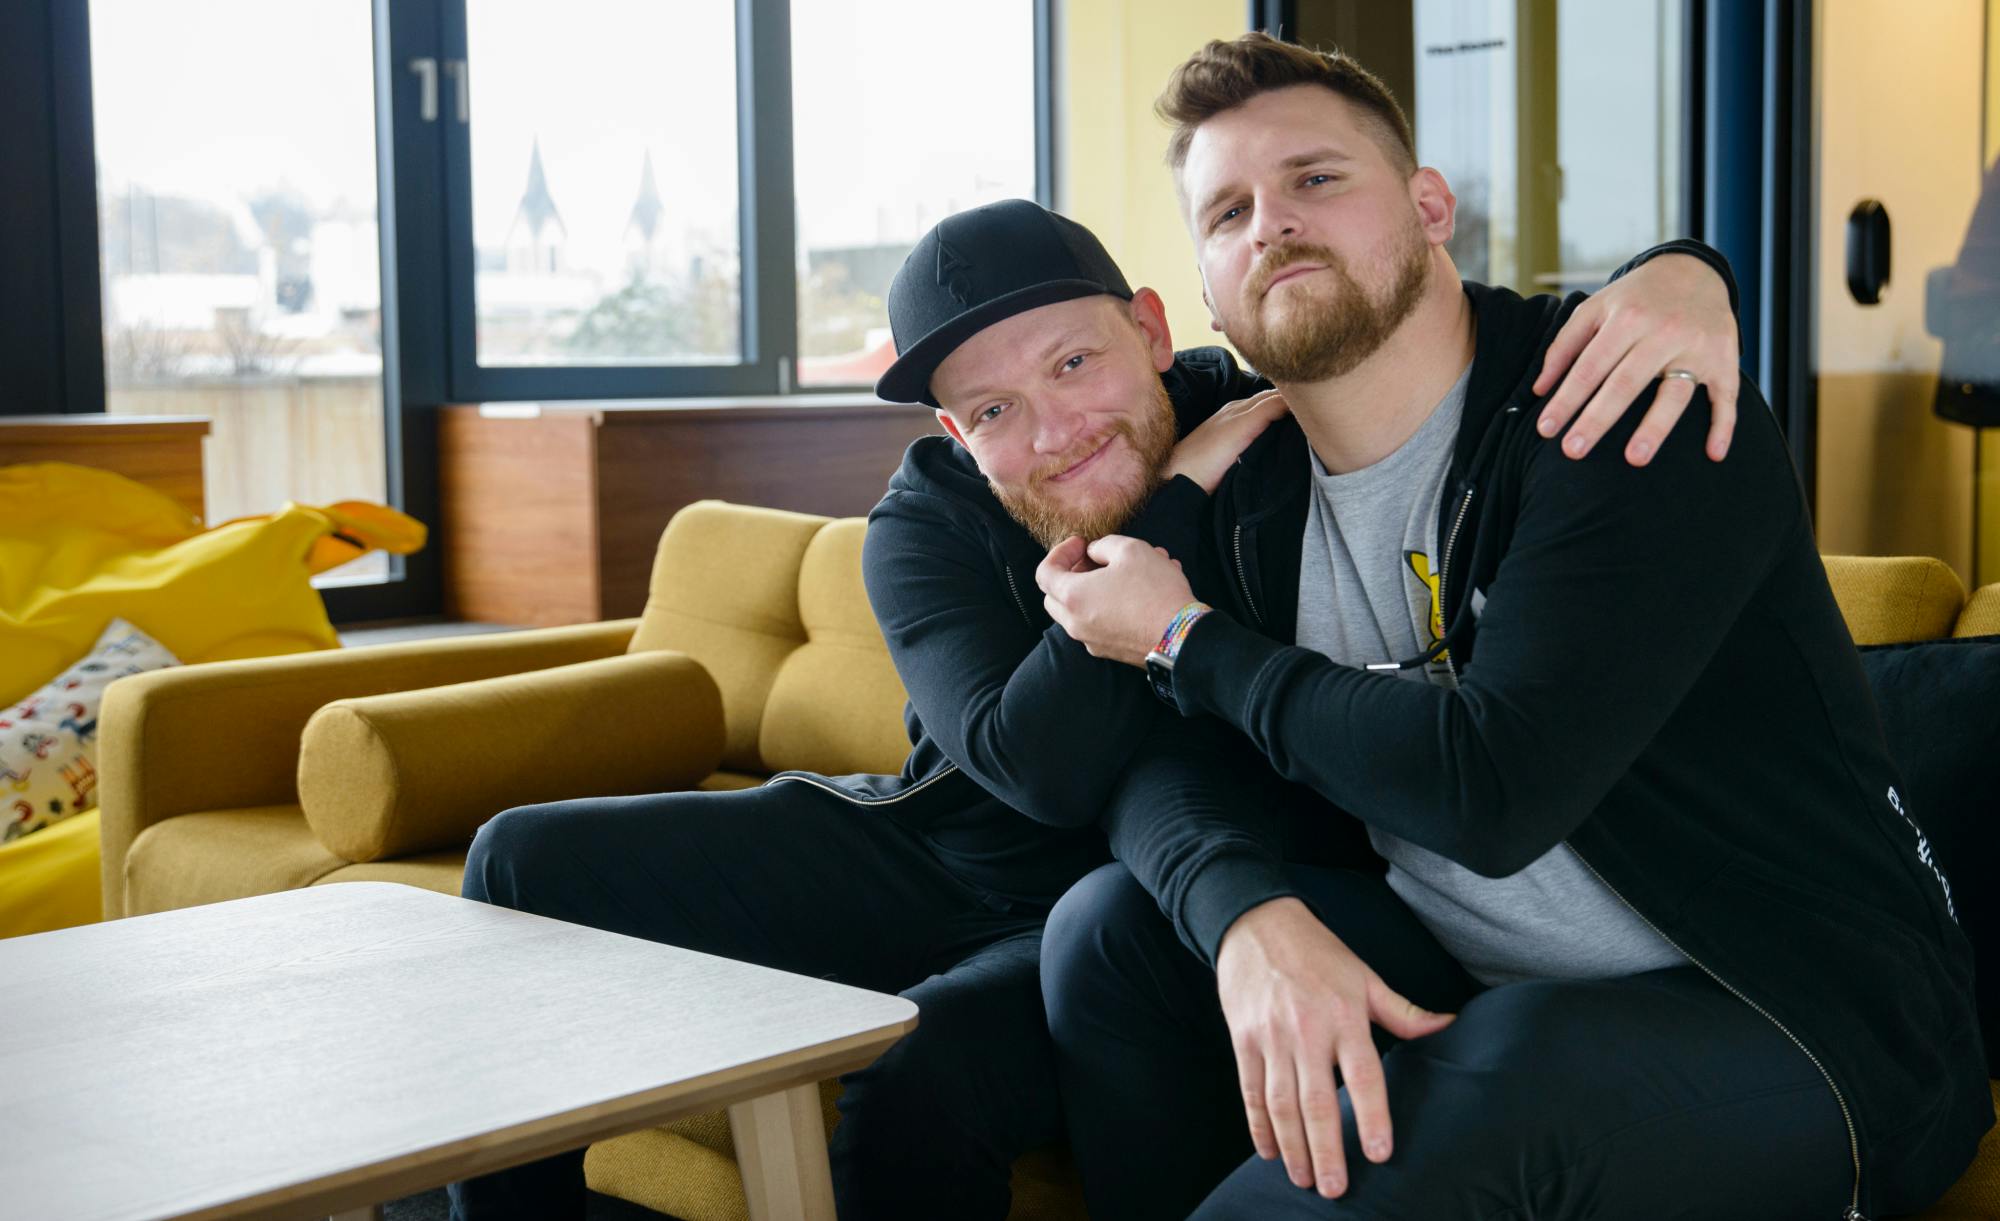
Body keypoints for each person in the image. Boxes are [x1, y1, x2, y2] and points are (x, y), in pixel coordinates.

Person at [447, 191, 1746, 1219]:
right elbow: (1025, 764)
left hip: (1139, 896)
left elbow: (1457, 341)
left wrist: (1687, 271)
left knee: (925, 1065)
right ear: (957, 437)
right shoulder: (925, 521)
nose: (1055, 428)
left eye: (1076, 362)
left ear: (1150, 324)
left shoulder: (1283, 426)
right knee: (522, 859)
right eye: (997, 410)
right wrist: (1170, 500)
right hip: (938, 846)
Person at [1037, 33, 1990, 1221]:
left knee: (1506, 1075)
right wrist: (1244, 920)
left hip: (1794, 1016)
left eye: (1315, 179)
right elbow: (1145, 754)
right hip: (1492, 976)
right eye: (1227, 212)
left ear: (1429, 205)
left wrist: (1185, 640)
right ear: (1209, 295)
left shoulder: (1624, 398)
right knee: (1110, 934)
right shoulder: (1254, 485)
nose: (1269, 223)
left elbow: (1496, 790)